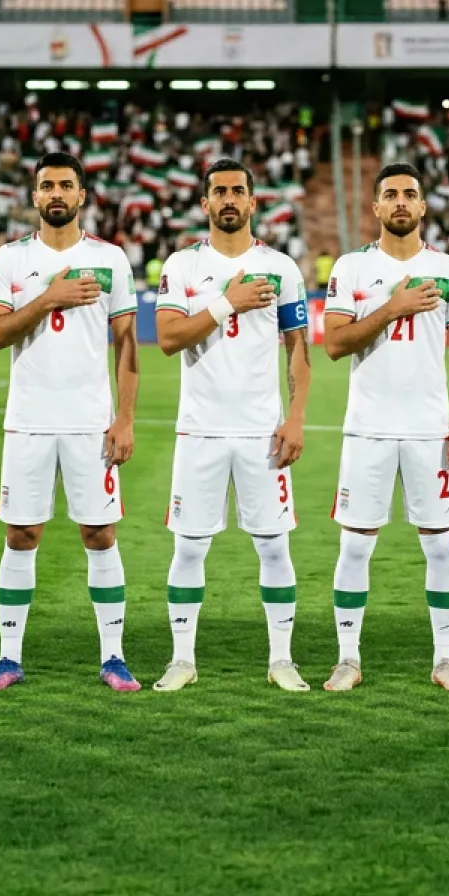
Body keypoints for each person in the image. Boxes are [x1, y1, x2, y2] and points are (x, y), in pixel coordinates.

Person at [0, 152, 142, 693]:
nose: (56, 194)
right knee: (21, 533)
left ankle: (114, 657)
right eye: (46, 184)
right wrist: (48, 297)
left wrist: (125, 419)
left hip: (91, 423)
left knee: (100, 532)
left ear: (82, 196)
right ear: (34, 195)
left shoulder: (111, 259)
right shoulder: (10, 259)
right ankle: (8, 657)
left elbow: (126, 346)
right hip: (29, 421)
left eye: (66, 185)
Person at [152, 157, 312, 693]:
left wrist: (295, 417)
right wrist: (228, 302)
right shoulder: (180, 266)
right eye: (217, 191)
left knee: (273, 546)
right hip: (200, 430)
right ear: (204, 204)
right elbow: (169, 337)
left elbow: (299, 351)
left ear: (252, 201)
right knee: (190, 547)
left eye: (236, 191)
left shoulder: (283, 268)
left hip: (262, 432)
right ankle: (181, 660)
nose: (227, 199)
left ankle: (282, 660)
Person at [321, 161, 449, 693]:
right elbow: (335, 345)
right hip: (368, 428)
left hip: (430, 430)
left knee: (440, 546)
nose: (402, 203)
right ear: (376, 207)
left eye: (411, 194)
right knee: (356, 545)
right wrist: (394, 307)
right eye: (391, 195)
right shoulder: (351, 268)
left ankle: (446, 660)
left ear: (424, 205)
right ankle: (347, 658)